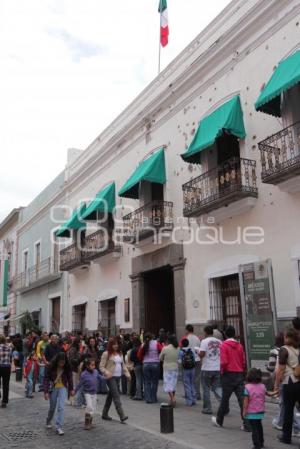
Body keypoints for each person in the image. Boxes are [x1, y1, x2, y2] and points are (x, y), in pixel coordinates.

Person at [212, 325, 250, 431]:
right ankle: (247, 423)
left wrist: (222, 371)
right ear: (234, 334)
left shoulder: (223, 345)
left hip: (228, 375)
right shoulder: (239, 346)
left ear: (225, 334)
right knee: (242, 400)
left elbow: (223, 362)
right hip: (239, 374)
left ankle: (219, 420)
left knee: (225, 399)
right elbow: (243, 361)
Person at [274, 327, 300, 444]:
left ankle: (286, 437)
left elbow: (281, 369)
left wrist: (276, 385)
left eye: (285, 336)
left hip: (289, 382)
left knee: (288, 410)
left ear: (288, 337)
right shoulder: (298, 349)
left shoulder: (284, 350)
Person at [100, 337, 130, 422]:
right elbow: (101, 367)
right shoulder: (106, 354)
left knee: (110, 395)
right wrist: (107, 372)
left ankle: (104, 413)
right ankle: (122, 415)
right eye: (114, 344)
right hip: (110, 377)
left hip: (118, 377)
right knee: (116, 396)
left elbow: (123, 365)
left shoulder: (120, 353)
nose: (116, 346)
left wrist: (128, 375)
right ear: (110, 345)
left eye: (117, 344)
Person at [44, 352, 74, 435]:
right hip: (53, 387)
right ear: (57, 360)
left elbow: (70, 377)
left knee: (61, 407)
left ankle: (59, 426)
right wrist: (46, 391)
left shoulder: (67, 367)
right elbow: (46, 378)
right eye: (60, 362)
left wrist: (71, 389)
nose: (61, 364)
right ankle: (48, 420)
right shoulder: (51, 366)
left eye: (63, 362)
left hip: (63, 387)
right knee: (52, 407)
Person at [198, 325, 222, 415]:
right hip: (217, 367)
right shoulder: (219, 341)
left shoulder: (204, 341)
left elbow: (202, 354)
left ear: (205, 332)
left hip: (207, 368)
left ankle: (207, 408)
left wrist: (198, 352)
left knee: (206, 389)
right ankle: (224, 406)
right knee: (217, 388)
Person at [75, 358, 104, 430]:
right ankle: (86, 423)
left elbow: (101, 378)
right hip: (87, 392)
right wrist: (74, 391)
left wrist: (107, 377)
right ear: (87, 366)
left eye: (94, 365)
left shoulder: (96, 371)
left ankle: (90, 423)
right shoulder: (84, 374)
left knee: (93, 409)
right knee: (89, 406)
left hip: (94, 393)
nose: (93, 366)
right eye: (92, 365)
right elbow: (80, 384)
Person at [243, 368, 267, 449]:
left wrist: (244, 411)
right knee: (259, 426)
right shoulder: (263, 386)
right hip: (260, 411)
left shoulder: (247, 387)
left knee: (254, 429)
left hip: (251, 412)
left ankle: (256, 445)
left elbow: (246, 402)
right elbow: (266, 394)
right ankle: (261, 442)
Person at [138, 333, 162, 404]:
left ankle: (148, 398)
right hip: (155, 363)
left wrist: (143, 359)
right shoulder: (156, 343)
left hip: (146, 364)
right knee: (154, 382)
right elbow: (162, 350)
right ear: (153, 337)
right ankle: (153, 398)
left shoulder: (143, 345)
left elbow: (139, 355)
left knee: (147, 382)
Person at [182, 324, 202, 400]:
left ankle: (189, 394)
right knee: (197, 378)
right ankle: (197, 394)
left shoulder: (186, 338)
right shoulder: (197, 338)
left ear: (187, 330)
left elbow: (183, 348)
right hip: (197, 359)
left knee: (187, 378)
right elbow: (199, 349)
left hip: (188, 360)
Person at [160, 334, 179, 407]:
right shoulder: (177, 348)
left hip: (167, 368)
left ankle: (173, 398)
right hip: (175, 367)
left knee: (168, 384)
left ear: (168, 340)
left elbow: (160, 358)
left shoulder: (165, 348)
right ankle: (172, 400)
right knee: (173, 384)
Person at [179, 338, 196, 406]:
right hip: (192, 368)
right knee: (192, 383)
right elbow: (194, 359)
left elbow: (180, 361)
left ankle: (189, 401)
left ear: (182, 344)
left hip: (185, 369)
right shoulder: (191, 350)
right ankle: (194, 399)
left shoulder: (181, 351)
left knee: (187, 384)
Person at [0, 335, 12, 408]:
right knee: (6, 384)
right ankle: (4, 401)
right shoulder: (9, 347)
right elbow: (10, 355)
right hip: (7, 367)